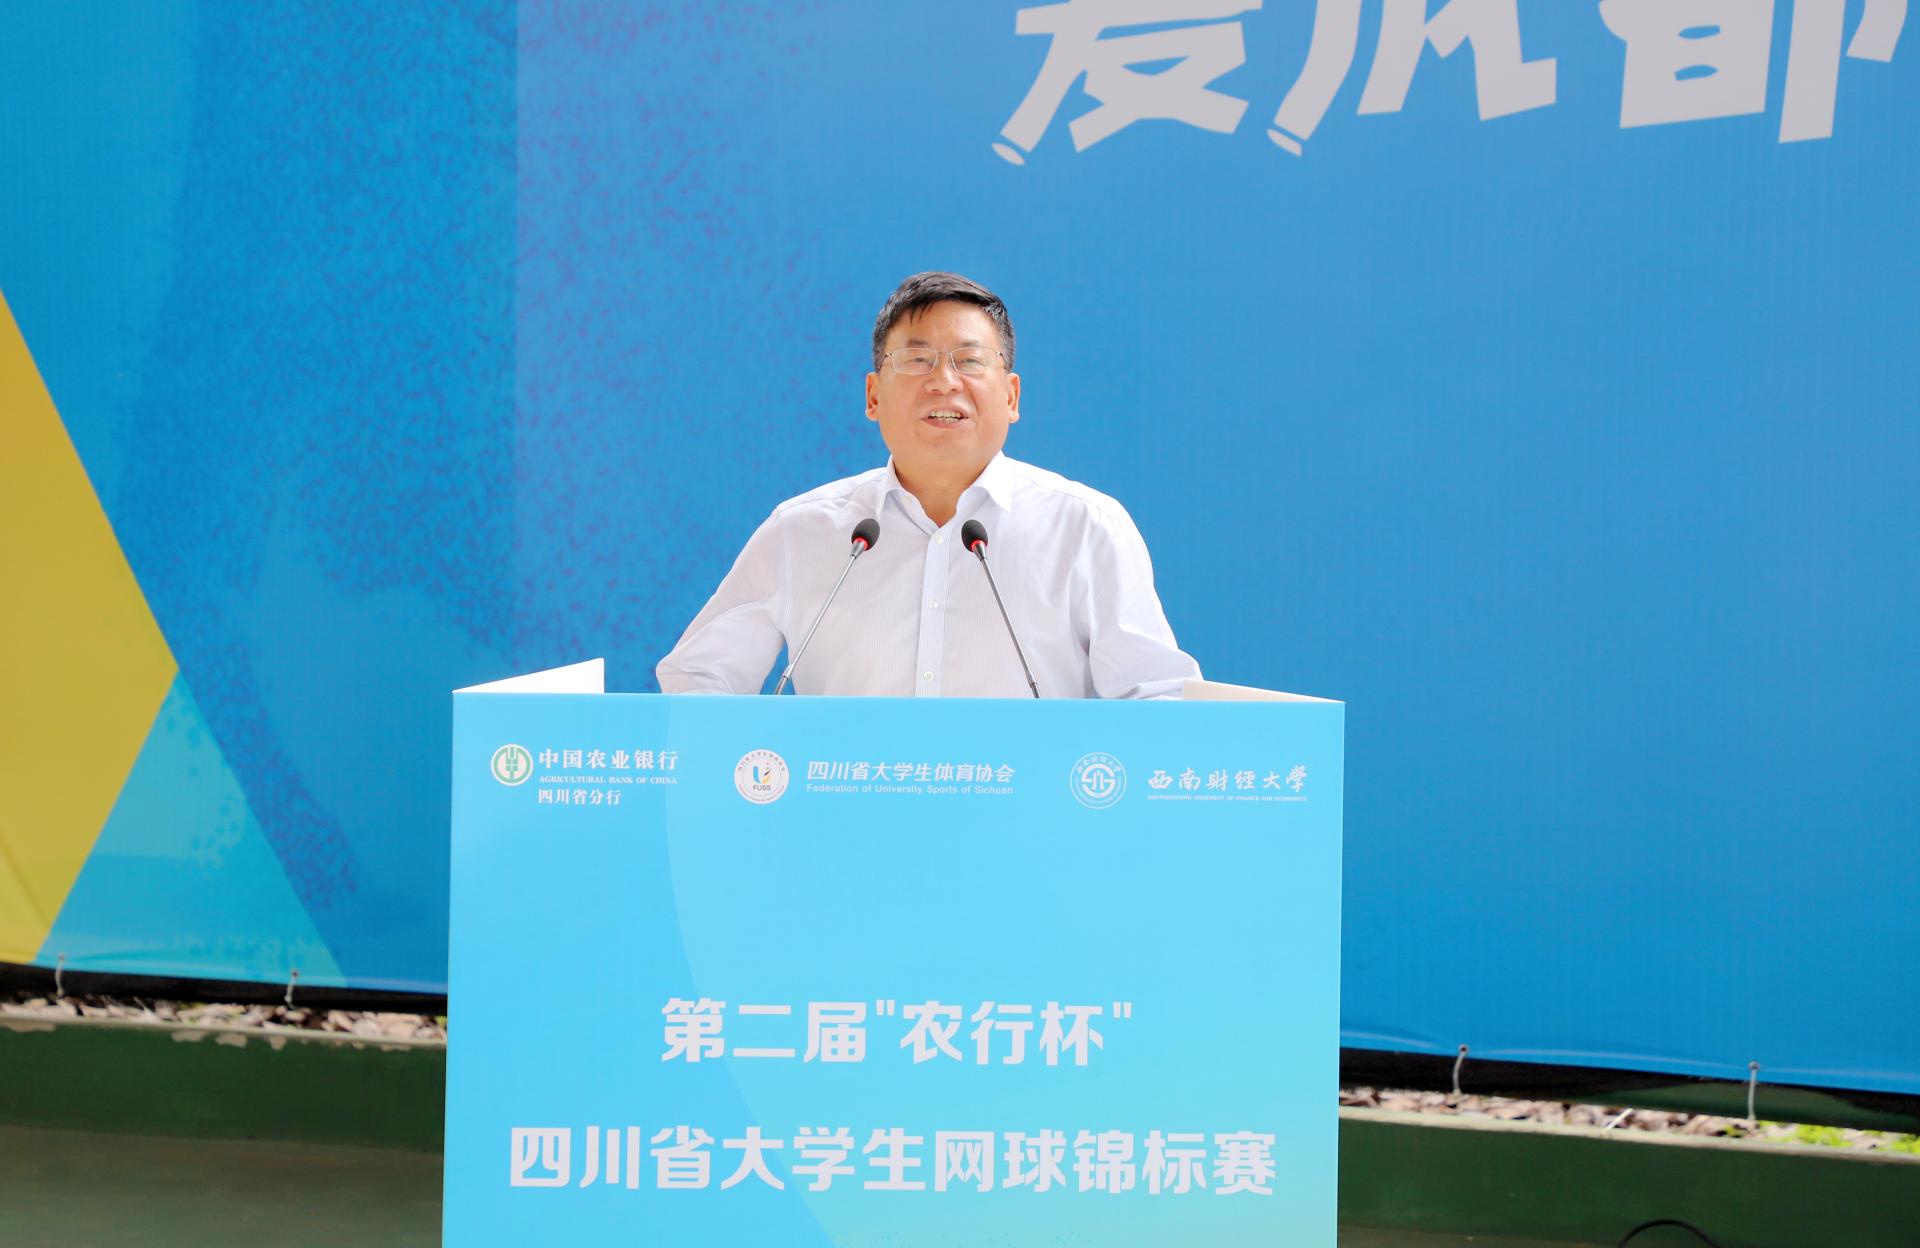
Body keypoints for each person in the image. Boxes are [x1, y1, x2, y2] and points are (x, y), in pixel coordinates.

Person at [656, 271, 1200, 698]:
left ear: (1011, 397)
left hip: (1029, 810)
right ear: (873, 396)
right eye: (916, 360)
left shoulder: (1085, 528)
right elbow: (698, 680)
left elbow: (1155, 698)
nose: (943, 382)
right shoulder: (803, 531)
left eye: (970, 361)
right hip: (848, 808)